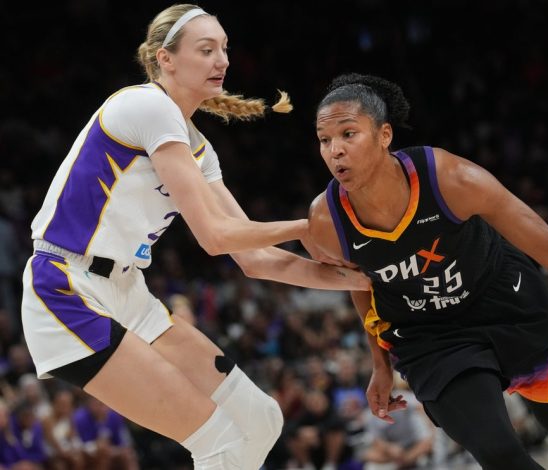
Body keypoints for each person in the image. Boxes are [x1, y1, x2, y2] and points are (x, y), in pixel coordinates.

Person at [20, 5, 369, 470]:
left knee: (262, 420)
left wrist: (366, 280)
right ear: (165, 59)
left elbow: (256, 259)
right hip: (67, 288)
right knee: (219, 442)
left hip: (128, 291)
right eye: (206, 50)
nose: (221, 60)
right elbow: (215, 236)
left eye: (224, 49)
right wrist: (308, 226)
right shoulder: (147, 106)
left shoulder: (200, 148)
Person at [305, 73, 548, 470]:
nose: (336, 150)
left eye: (348, 134)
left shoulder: (451, 180)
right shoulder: (326, 221)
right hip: (429, 336)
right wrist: (380, 363)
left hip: (507, 302)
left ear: (385, 135)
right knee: (499, 453)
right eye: (324, 140)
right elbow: (359, 284)